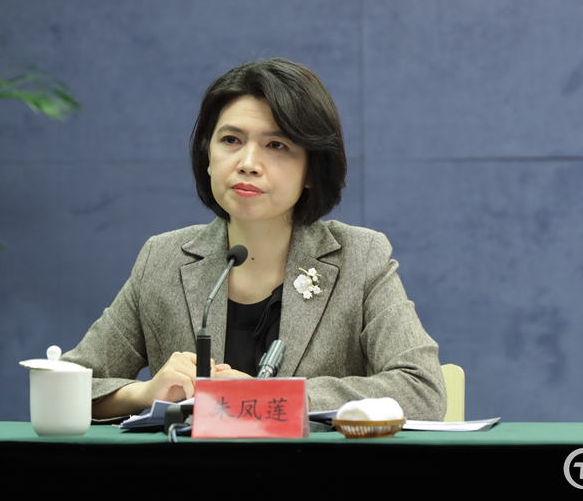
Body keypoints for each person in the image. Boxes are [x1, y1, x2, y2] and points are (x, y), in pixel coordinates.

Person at [63, 58, 446, 420]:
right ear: (208, 156)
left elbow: (422, 390)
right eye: (231, 140)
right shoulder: (163, 259)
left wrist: (277, 397)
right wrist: (145, 394)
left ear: (312, 170)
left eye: (276, 145)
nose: (247, 163)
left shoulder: (359, 259)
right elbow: (68, 384)